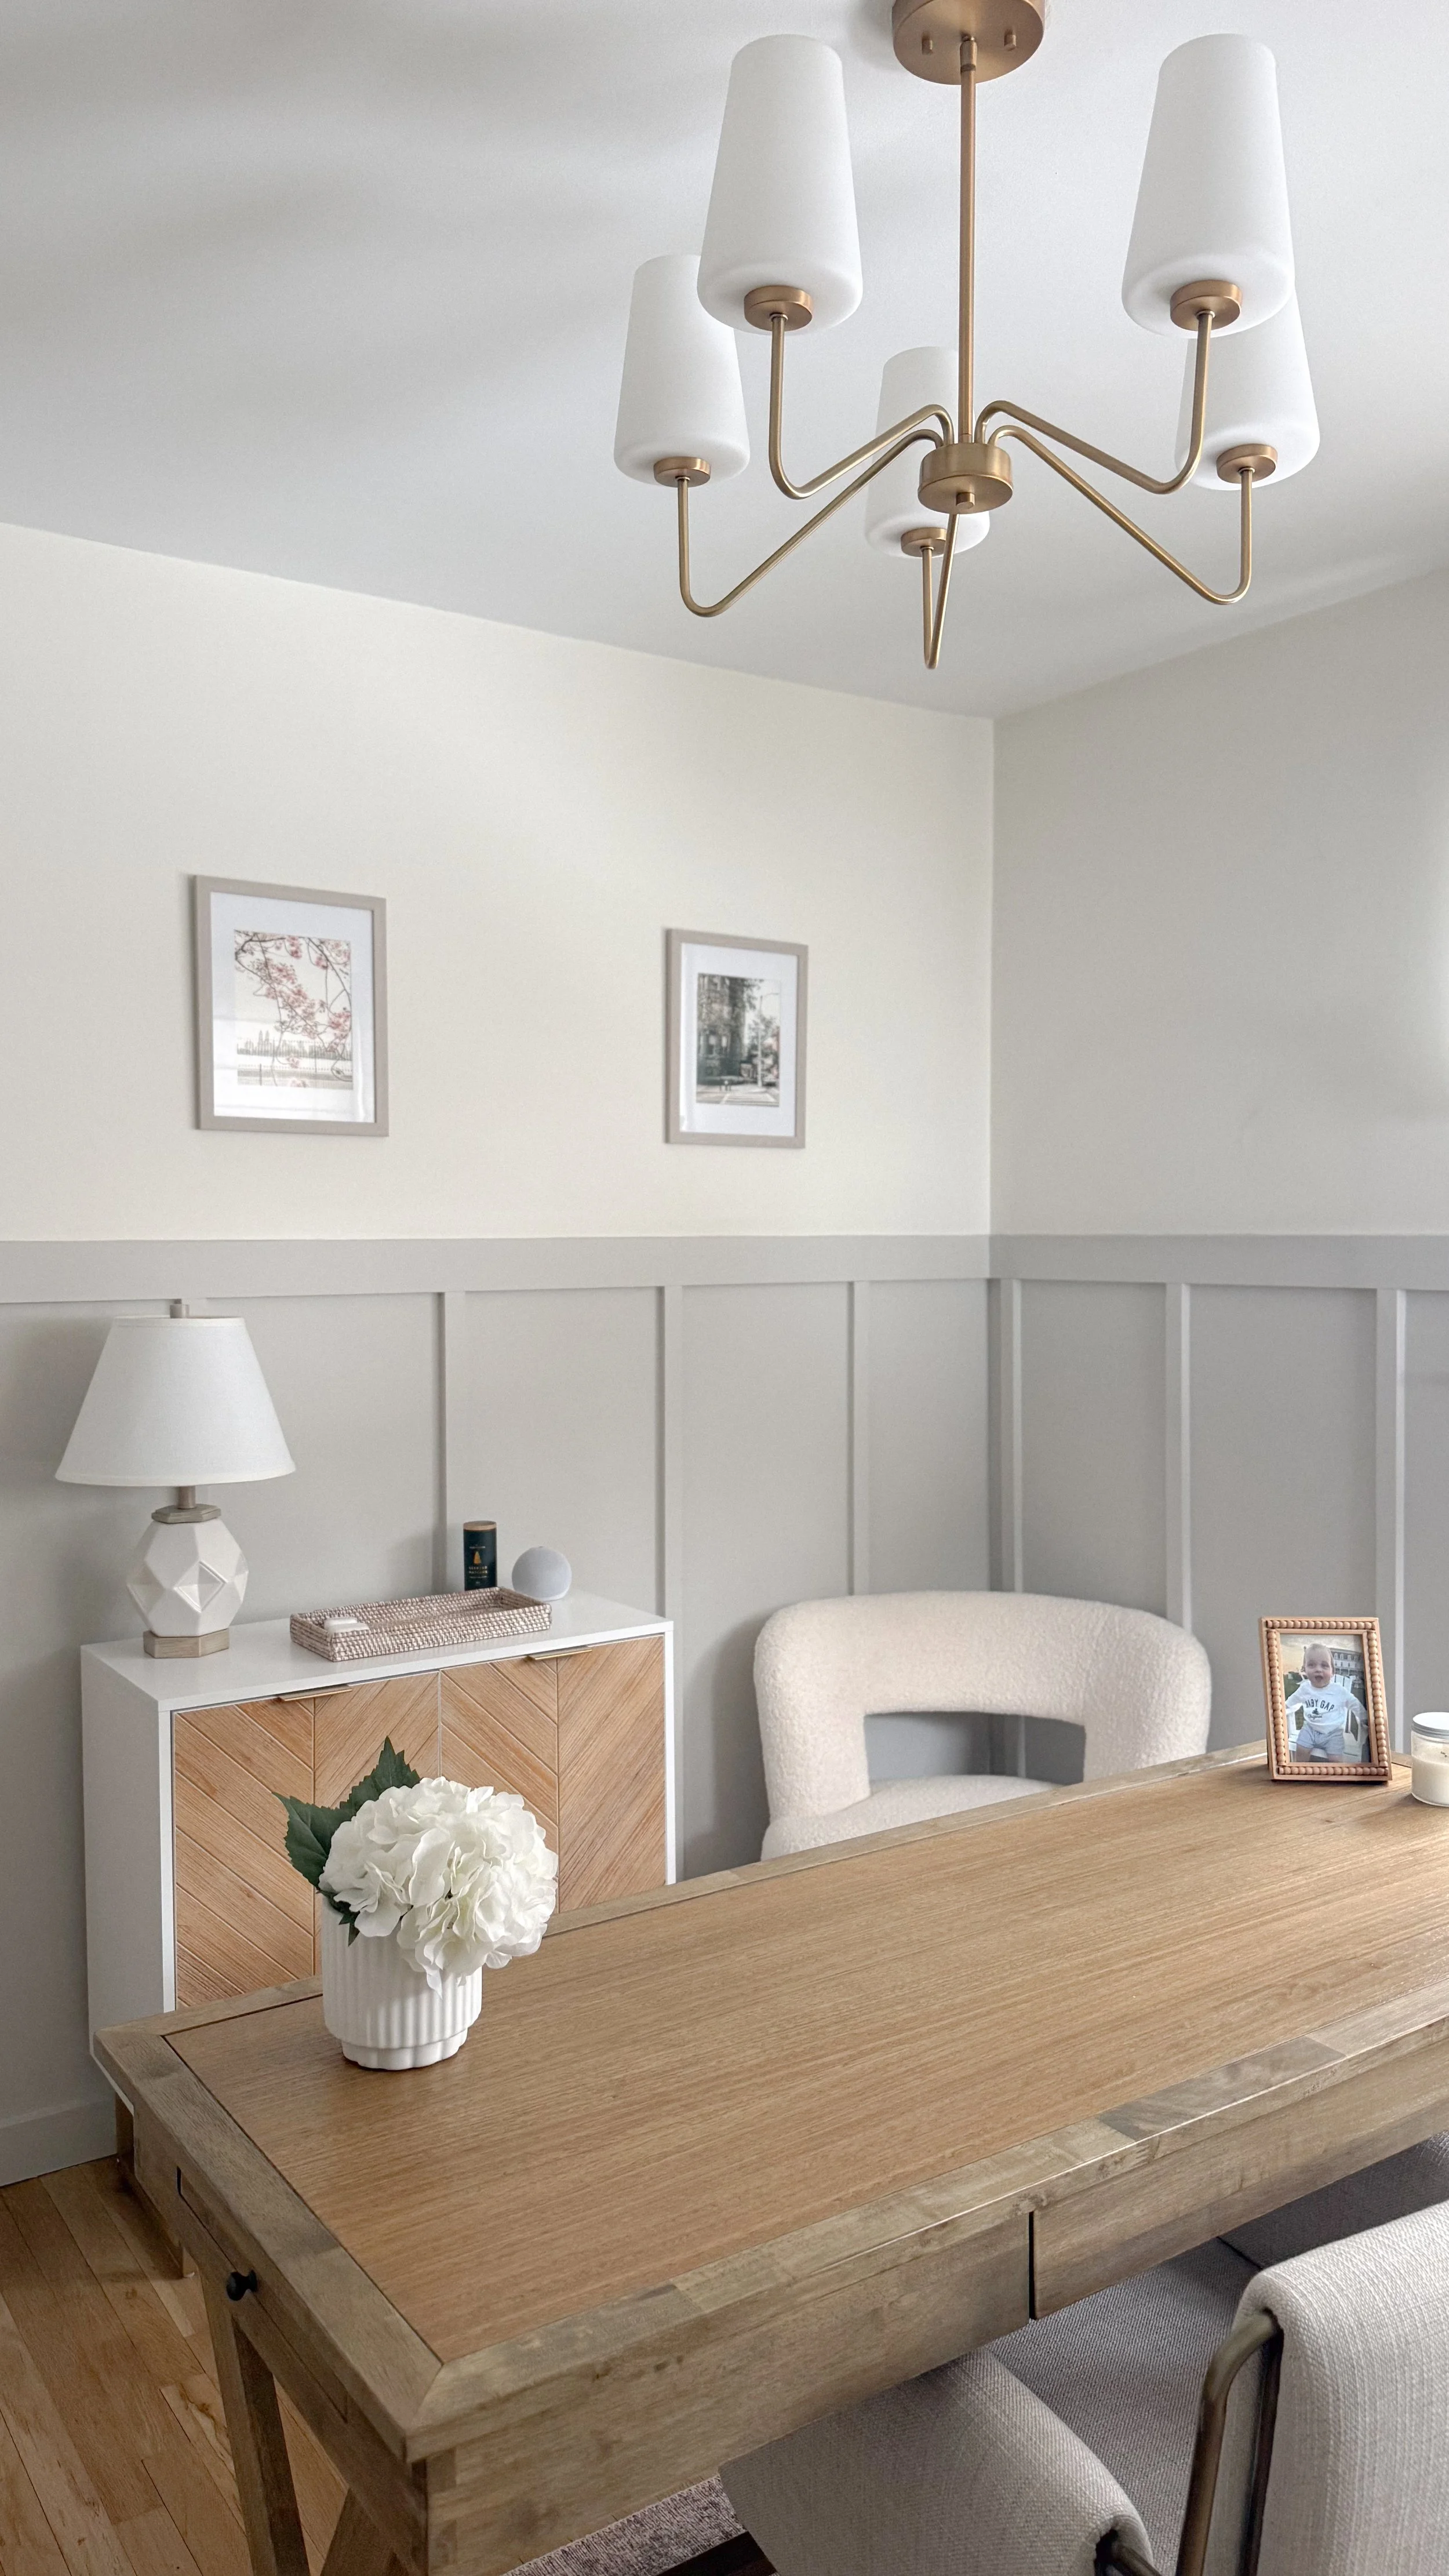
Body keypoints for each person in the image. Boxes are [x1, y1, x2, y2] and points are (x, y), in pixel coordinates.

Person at [1284, 1640, 1368, 1763]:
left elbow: (1354, 1703)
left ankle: (1335, 1774)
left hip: (1333, 1733)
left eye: (1324, 1666)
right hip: (1310, 1729)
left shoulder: (1339, 1691)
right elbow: (1291, 1702)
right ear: (1305, 1670)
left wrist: (1364, 1717)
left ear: (1332, 1672)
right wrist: (1282, 1708)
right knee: (1301, 1750)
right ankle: (1301, 1770)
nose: (1318, 1670)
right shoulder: (1304, 1688)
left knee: (1336, 1759)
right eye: (1312, 1665)